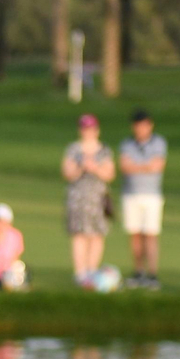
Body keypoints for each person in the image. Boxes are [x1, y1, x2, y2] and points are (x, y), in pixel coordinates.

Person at [61, 114, 114, 290]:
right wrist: (81, 167)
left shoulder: (104, 150)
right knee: (79, 234)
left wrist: (95, 168)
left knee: (96, 234)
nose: (88, 132)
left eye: (91, 128)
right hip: (78, 198)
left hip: (97, 197)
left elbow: (110, 174)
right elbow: (67, 173)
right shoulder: (73, 149)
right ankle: (80, 273)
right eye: (85, 128)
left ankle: (92, 271)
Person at [118, 108, 167, 289]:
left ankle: (152, 274)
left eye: (144, 125)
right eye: (137, 125)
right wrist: (145, 167)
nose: (140, 129)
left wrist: (136, 167)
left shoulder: (158, 143)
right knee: (135, 235)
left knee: (151, 235)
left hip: (151, 195)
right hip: (130, 194)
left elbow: (157, 166)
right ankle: (138, 272)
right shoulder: (127, 144)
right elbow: (125, 167)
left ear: (150, 125)